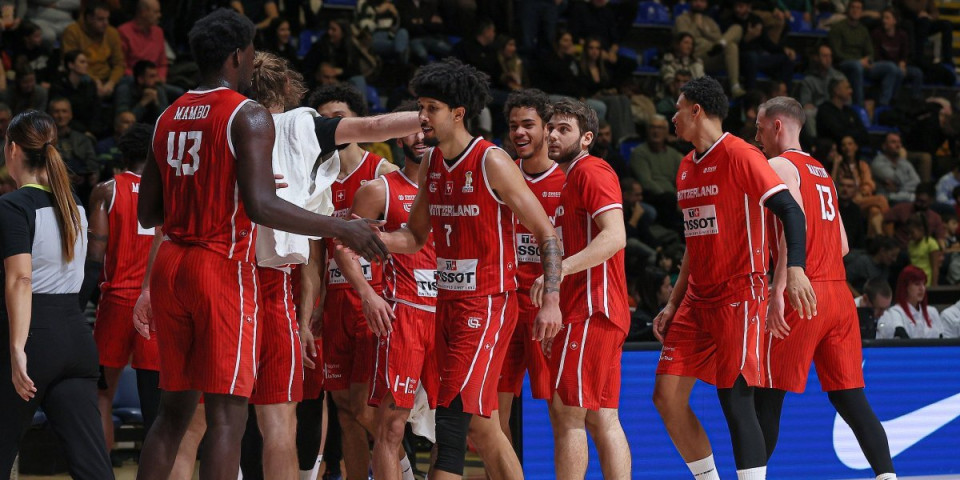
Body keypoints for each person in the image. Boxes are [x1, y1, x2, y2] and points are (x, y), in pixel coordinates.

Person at [133, 10, 391, 480]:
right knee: (227, 418)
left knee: (171, 415)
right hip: (220, 266)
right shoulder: (245, 112)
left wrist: (208, 187)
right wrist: (342, 228)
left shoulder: (166, 117)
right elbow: (260, 206)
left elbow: (150, 213)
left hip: (170, 265)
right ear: (238, 55)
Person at [378, 58, 563, 480]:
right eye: (420, 106)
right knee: (483, 425)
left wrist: (551, 297)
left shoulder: (491, 161)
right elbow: (414, 237)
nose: (421, 117)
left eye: (431, 108)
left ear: (458, 113)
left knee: (453, 414)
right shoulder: (432, 165)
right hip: (446, 303)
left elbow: (546, 233)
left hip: (487, 305)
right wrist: (371, 238)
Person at [652, 76, 815, 480]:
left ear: (696, 111)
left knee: (735, 400)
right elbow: (695, 240)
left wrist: (794, 269)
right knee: (666, 397)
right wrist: (674, 301)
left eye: (677, 109)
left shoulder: (741, 155)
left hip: (739, 293)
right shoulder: (686, 167)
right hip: (696, 299)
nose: (671, 118)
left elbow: (792, 213)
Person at [752, 96, 898, 480]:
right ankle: (888, 475)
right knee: (849, 396)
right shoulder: (821, 171)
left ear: (777, 126)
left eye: (759, 126)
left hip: (803, 289)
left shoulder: (778, 165)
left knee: (767, 395)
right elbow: (845, 245)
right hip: (839, 294)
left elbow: (791, 226)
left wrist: (777, 291)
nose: (757, 135)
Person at [0, 110, 113, 478]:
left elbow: (21, 280)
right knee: (92, 464)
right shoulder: (74, 205)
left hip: (33, 339)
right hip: (77, 339)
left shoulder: (13, 206)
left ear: (13, 149)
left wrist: (18, 349)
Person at [332, 101, 435, 480]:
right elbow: (342, 246)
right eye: (411, 127)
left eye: (425, 127)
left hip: (453, 314)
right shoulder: (379, 190)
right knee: (384, 423)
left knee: (468, 427)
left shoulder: (459, 184)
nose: (419, 136)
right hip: (403, 314)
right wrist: (367, 292)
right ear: (396, 133)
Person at [303, 83, 400, 480]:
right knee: (343, 409)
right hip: (337, 303)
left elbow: (410, 243)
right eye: (326, 120)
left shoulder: (382, 173)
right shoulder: (316, 182)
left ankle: (403, 471)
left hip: (376, 301)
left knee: (368, 409)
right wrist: (315, 306)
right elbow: (315, 254)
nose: (334, 126)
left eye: (340, 118)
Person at [536, 97, 632, 479]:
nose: (553, 135)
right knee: (602, 417)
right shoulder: (571, 178)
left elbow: (616, 237)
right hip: (599, 311)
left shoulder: (591, 170)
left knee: (567, 415)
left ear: (587, 137)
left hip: (592, 309)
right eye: (551, 128)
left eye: (564, 129)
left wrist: (556, 273)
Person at [83, 123, 161, 458]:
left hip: (115, 304)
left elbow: (93, 258)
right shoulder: (170, 193)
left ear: (123, 156)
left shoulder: (107, 190)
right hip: (156, 307)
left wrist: (80, 303)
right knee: (155, 404)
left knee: (102, 394)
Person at [496, 89, 563, 444]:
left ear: (546, 129)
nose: (519, 133)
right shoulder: (500, 177)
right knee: (491, 415)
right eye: (513, 126)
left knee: (562, 413)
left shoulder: (569, 179)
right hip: (504, 305)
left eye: (528, 125)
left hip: (547, 309)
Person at [830, 0, 903, 106]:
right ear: (848, 10)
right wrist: (859, 61)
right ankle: (859, 105)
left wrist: (868, 60)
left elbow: (870, 52)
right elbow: (837, 53)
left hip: (862, 64)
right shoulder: (838, 28)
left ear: (862, 11)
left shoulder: (863, 30)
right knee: (856, 66)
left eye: (858, 8)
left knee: (891, 67)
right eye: (853, 7)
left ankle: (884, 104)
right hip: (845, 64)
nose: (855, 10)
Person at [675, 0, 746, 97]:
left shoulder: (710, 21)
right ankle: (722, 44)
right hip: (696, 57)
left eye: (702, 1)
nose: (699, 4)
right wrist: (695, 25)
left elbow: (717, 37)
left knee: (736, 32)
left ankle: (735, 86)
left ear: (706, 4)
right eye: (696, 1)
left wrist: (703, 29)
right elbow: (684, 39)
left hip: (713, 53)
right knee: (730, 45)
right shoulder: (682, 19)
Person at [61, 1, 125, 99]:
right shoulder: (72, 31)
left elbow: (119, 63)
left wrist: (111, 83)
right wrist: (94, 80)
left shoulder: (112, 32)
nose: (106, 23)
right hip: (84, 75)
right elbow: (70, 62)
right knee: (85, 82)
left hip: (107, 78)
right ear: (89, 18)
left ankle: (124, 114)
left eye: (107, 19)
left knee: (128, 83)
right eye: (101, 19)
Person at [835, 135, 888, 236]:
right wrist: (836, 164)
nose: (847, 147)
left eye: (850, 144)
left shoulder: (862, 165)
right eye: (844, 145)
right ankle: (888, 237)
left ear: (855, 146)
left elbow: (869, 183)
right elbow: (835, 184)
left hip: (862, 198)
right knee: (881, 199)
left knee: (874, 210)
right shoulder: (839, 166)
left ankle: (872, 242)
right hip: (848, 199)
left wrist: (862, 192)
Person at [876, 265, 945, 338]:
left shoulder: (932, 312)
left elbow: (942, 341)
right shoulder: (895, 313)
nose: (922, 288)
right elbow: (902, 339)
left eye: (924, 284)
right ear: (905, 287)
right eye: (917, 284)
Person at [49, 51, 103, 136]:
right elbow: (59, 114)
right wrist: (84, 131)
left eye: (86, 62)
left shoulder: (89, 85)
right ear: (71, 65)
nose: (86, 65)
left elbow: (96, 110)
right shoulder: (58, 86)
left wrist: (93, 131)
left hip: (89, 131)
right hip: (67, 129)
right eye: (82, 62)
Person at [872, 8, 923, 99]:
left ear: (894, 21)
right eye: (883, 18)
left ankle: (915, 100)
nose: (884, 21)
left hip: (898, 65)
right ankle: (893, 100)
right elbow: (876, 55)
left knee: (917, 73)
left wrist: (903, 62)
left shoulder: (902, 35)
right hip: (883, 65)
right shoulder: (877, 34)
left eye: (887, 18)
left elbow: (905, 53)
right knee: (896, 71)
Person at [118, 0, 168, 81]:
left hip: (155, 80)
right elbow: (121, 65)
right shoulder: (124, 32)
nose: (159, 15)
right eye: (156, 12)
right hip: (132, 79)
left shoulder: (158, 32)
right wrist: (142, 79)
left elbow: (162, 63)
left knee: (179, 91)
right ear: (143, 12)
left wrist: (160, 76)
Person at [815, 78, 869, 147]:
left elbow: (864, 133)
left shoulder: (850, 111)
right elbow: (836, 133)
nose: (851, 91)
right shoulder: (825, 110)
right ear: (836, 90)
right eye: (847, 88)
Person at [114, 60, 170, 125]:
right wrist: (143, 103)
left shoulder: (158, 89)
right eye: (152, 76)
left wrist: (156, 104)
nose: (157, 80)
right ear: (140, 79)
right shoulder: (124, 90)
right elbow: (123, 121)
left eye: (156, 76)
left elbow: (166, 121)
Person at [872, 133, 922, 203]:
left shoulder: (904, 162)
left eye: (899, 142)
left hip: (906, 197)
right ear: (884, 146)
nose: (898, 146)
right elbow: (897, 180)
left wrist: (898, 189)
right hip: (888, 199)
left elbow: (917, 183)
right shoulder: (878, 163)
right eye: (893, 142)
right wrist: (902, 160)